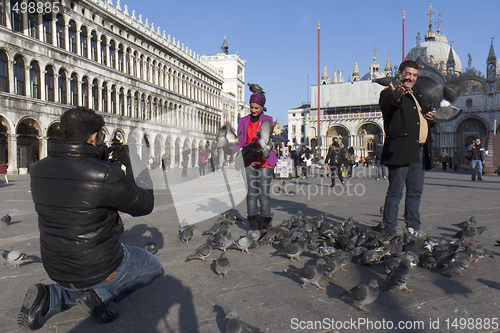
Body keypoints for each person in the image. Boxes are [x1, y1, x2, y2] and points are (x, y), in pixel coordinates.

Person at [18, 107, 162, 331]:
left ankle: (51, 296)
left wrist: (97, 157)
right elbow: (144, 204)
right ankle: (96, 295)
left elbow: (73, 183)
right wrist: (134, 162)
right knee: (154, 268)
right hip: (97, 265)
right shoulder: (105, 174)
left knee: (82, 271)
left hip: (54, 263)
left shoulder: (38, 169)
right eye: (102, 135)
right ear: (94, 136)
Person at [379, 60, 436, 236]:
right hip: (400, 148)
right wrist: (397, 95)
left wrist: (431, 118)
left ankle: (413, 228)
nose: (411, 78)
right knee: (396, 191)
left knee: (415, 192)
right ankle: (389, 229)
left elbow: (423, 121)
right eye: (408, 74)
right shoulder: (388, 92)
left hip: (419, 150)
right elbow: (388, 106)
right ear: (400, 72)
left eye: (414, 75)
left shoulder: (419, 95)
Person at [231, 89, 278, 230]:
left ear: (262, 107)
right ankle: (252, 220)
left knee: (263, 193)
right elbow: (241, 140)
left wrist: (261, 142)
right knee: (251, 193)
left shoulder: (267, 119)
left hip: (265, 160)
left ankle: (265, 220)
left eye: (256, 108)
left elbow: (267, 140)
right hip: (250, 159)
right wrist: (231, 150)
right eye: (251, 107)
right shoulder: (243, 120)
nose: (253, 110)